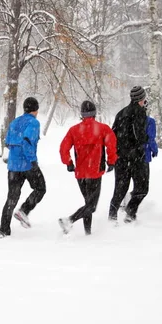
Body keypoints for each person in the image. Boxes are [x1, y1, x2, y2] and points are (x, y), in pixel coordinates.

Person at [58, 100, 117, 235]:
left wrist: (69, 163)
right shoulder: (103, 129)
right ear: (95, 113)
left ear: (82, 114)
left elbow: (63, 148)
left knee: (87, 203)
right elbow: (111, 145)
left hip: (81, 173)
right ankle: (69, 220)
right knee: (91, 206)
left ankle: (87, 233)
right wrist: (111, 161)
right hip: (95, 172)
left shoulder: (74, 130)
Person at [0, 97, 46, 238]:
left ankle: (3, 230)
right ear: (35, 109)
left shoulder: (14, 122)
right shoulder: (34, 123)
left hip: (13, 166)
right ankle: (24, 210)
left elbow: (7, 142)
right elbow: (27, 142)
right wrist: (33, 161)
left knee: (12, 198)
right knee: (41, 188)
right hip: (27, 164)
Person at [109, 85, 150, 223]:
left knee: (120, 190)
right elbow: (139, 136)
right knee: (142, 188)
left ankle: (112, 217)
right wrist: (145, 140)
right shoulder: (140, 113)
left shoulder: (120, 113)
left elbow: (112, 134)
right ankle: (130, 213)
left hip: (120, 157)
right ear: (141, 99)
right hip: (136, 157)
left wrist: (116, 153)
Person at [120, 113, 158, 209]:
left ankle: (128, 200)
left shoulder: (127, 120)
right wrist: (154, 150)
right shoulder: (149, 121)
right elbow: (151, 138)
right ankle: (131, 209)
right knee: (143, 186)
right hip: (142, 156)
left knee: (136, 183)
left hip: (129, 156)